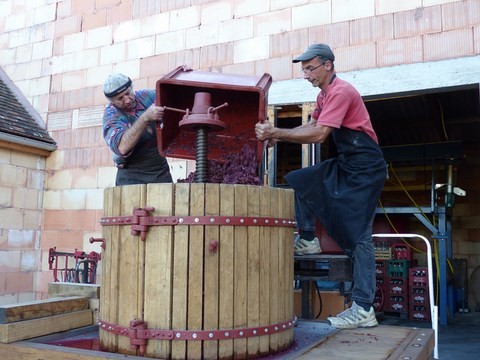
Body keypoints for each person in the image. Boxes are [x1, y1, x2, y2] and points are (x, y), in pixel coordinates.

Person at [255, 43, 387, 329]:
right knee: (304, 180)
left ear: (328, 65)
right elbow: (309, 126)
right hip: (348, 163)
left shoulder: (342, 91)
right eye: (303, 69)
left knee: (359, 237)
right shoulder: (322, 96)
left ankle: (364, 308)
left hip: (366, 167)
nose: (306, 74)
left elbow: (318, 135)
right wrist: (280, 137)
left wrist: (277, 130)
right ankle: (308, 238)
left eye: (310, 68)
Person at [102, 73, 173, 186]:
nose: (127, 100)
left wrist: (181, 76)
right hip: (131, 177)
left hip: (160, 172)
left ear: (131, 88)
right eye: (120, 98)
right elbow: (122, 147)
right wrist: (145, 118)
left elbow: (171, 93)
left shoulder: (146, 96)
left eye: (128, 93)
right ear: (112, 101)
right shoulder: (111, 116)